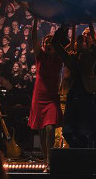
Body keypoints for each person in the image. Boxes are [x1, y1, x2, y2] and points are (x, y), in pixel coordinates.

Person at [53, 21, 96, 150]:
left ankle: (84, 157)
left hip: (88, 98)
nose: (80, 42)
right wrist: (63, 27)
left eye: (83, 40)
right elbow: (55, 44)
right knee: (67, 132)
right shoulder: (70, 58)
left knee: (85, 133)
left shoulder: (91, 56)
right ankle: (78, 151)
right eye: (78, 40)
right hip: (72, 97)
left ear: (87, 44)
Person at [27, 18, 63, 172]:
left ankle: (49, 162)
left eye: (50, 42)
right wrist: (35, 22)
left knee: (49, 129)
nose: (48, 44)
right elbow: (34, 39)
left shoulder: (59, 58)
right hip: (39, 97)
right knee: (41, 131)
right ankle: (46, 158)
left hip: (52, 98)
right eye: (46, 42)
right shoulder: (40, 56)